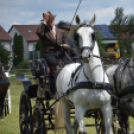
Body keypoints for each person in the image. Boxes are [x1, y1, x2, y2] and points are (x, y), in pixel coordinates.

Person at [36, 11, 71, 96]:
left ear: (54, 20)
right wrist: (44, 21)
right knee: (55, 66)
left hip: (61, 53)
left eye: (51, 21)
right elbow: (38, 32)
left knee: (71, 65)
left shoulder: (61, 32)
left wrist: (63, 45)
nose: (50, 23)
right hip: (49, 54)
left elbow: (68, 46)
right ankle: (55, 90)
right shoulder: (44, 31)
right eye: (48, 21)